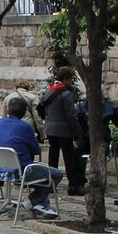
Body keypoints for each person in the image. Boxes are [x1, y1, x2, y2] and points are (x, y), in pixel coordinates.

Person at [0, 97, 62, 219]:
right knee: (56, 174)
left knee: (42, 174)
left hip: (2, 169)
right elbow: (36, 150)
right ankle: (33, 201)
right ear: (25, 112)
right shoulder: (24, 127)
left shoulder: (0, 123)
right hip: (22, 171)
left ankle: (41, 205)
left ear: (8, 110)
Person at [38, 66, 85, 195]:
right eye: (70, 79)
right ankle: (73, 186)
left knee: (53, 156)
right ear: (65, 78)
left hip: (51, 128)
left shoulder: (49, 90)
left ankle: (51, 183)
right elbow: (71, 115)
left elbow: (42, 107)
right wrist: (77, 131)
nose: (71, 82)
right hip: (63, 130)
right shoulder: (66, 94)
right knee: (69, 157)